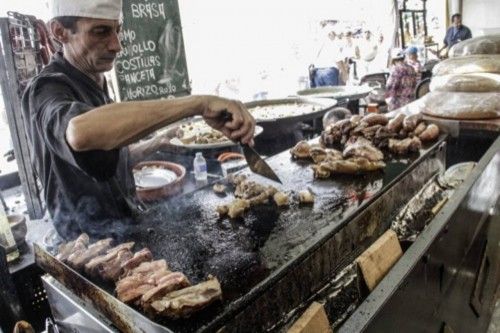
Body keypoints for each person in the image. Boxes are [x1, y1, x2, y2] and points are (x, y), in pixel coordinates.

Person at [21, 0, 256, 240]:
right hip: (89, 248)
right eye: (101, 31)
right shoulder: (46, 89)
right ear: (59, 32)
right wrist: (198, 104)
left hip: (126, 228)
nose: (117, 45)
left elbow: (110, 161)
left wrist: (160, 141)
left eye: (117, 30)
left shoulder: (94, 81)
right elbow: (79, 133)